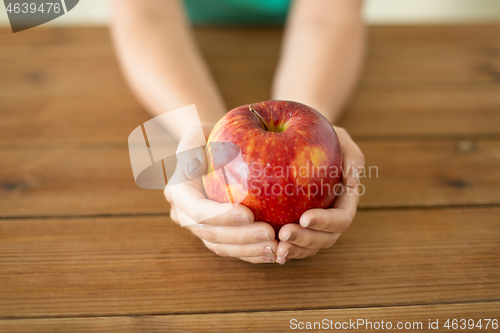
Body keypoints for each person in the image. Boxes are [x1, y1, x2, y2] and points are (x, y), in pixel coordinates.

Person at [110, 0, 366, 264]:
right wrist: (200, 133)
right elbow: (148, 15)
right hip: (183, 40)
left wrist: (317, 125)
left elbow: (328, 16)